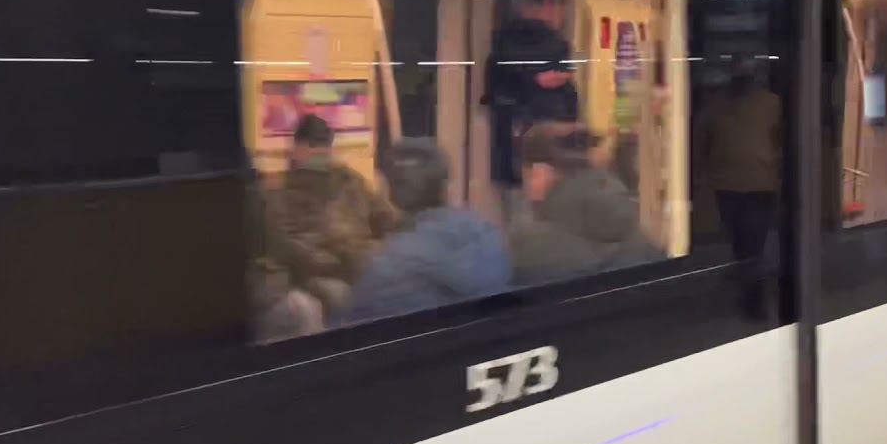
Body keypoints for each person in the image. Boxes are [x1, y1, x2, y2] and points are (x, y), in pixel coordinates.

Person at [331, 139, 511, 326]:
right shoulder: (490, 236)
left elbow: (347, 331)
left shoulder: (388, 265)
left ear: (389, 192)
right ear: (445, 187)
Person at [256, 114, 396, 322]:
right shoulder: (281, 191)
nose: (319, 152)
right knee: (343, 297)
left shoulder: (349, 180)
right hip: (321, 274)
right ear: (297, 148)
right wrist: (339, 262)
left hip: (365, 262)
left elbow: (384, 216)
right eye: (312, 145)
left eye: (323, 145)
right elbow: (288, 246)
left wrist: (385, 246)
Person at [509, 123, 661, 285]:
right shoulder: (643, 240)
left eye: (527, 177)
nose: (526, 189)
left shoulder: (525, 253)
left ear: (539, 173)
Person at [485, 0, 580, 193]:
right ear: (547, 5)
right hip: (534, 133)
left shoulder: (506, 41)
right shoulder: (546, 43)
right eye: (558, 9)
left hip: (529, 136)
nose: (560, 16)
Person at [694, 58, 782, 264]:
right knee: (741, 237)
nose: (744, 82)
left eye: (746, 77)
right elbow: (701, 141)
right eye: (741, 77)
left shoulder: (770, 104)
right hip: (738, 182)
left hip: (754, 183)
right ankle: (747, 269)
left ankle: (749, 270)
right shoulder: (718, 105)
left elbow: (781, 139)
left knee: (751, 237)